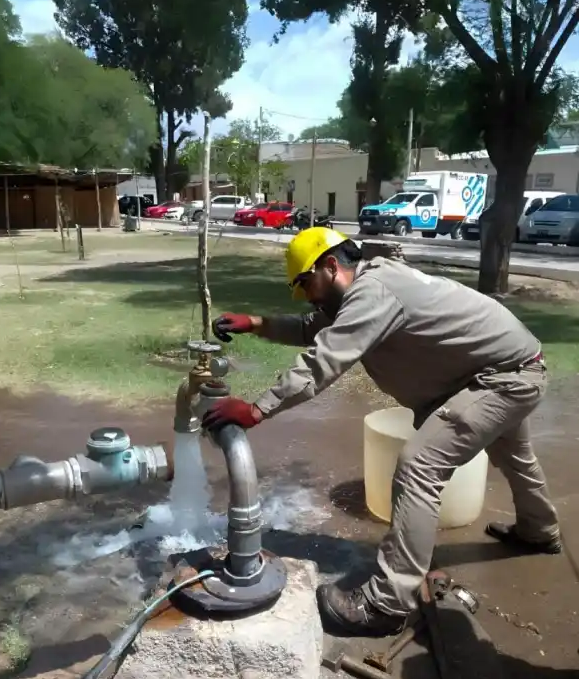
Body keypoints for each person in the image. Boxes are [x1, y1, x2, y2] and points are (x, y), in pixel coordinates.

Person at [202, 227, 561, 636]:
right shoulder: (366, 287)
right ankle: (539, 530)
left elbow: (323, 360)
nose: (305, 295)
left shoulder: (375, 292)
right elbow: (312, 327)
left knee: (419, 466)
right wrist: (256, 323)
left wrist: (255, 408)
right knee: (513, 455)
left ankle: (387, 604)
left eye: (305, 282)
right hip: (509, 367)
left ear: (330, 265)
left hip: (502, 378)